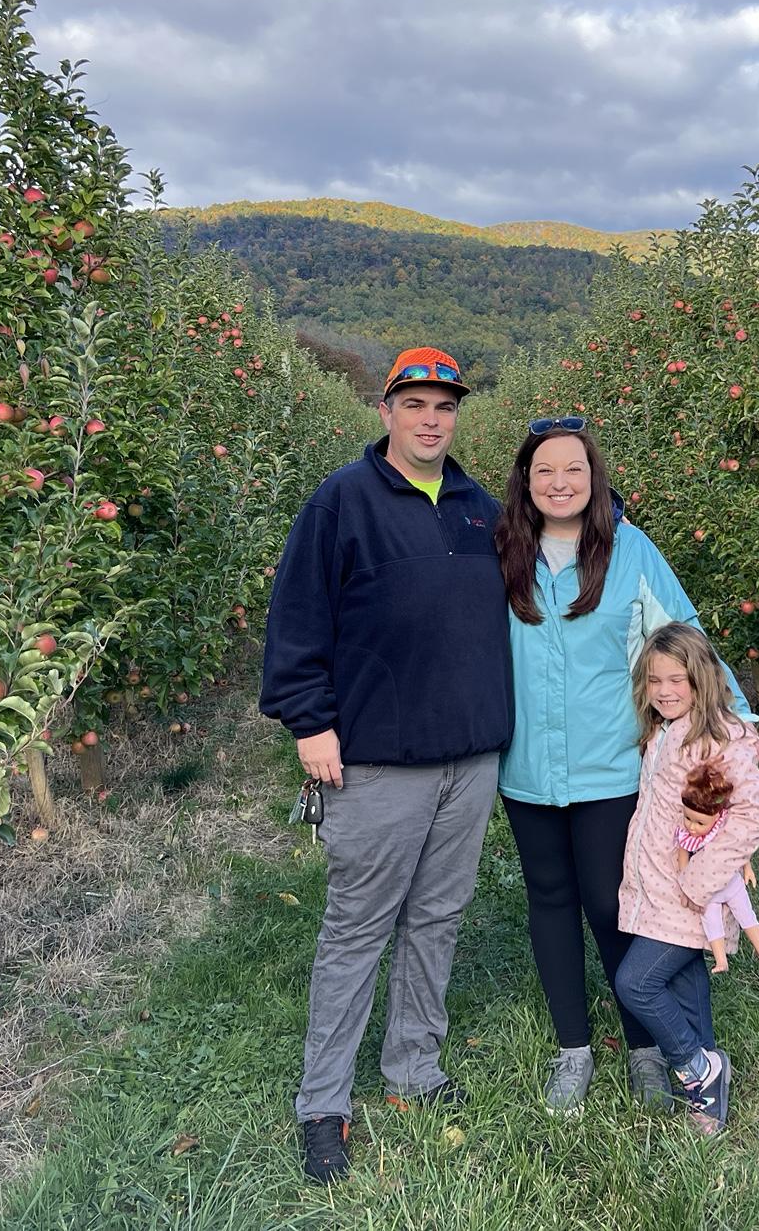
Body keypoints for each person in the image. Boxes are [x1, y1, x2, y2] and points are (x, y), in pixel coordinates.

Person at [259, 346, 512, 1186]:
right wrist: (310, 723)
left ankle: (413, 1070)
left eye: (445, 406)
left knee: (437, 918)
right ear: (387, 411)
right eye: (415, 404)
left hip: (469, 758)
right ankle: (322, 1104)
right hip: (377, 762)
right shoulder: (343, 500)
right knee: (357, 929)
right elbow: (298, 617)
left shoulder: (478, 508)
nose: (431, 419)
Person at [493, 417, 754, 1115]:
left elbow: (684, 637)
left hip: (610, 766)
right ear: (525, 481)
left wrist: (736, 729)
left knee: (618, 905)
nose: (560, 483)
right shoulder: (505, 550)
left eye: (573, 469)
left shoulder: (629, 549)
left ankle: (645, 1047)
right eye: (544, 470)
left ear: (594, 477)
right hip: (527, 766)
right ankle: (573, 1049)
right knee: (550, 901)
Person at [614, 622, 759, 1134]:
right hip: (658, 889)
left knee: (636, 983)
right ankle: (709, 1095)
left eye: (676, 680)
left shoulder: (716, 740)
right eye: (654, 680)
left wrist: (700, 880)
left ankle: (696, 1067)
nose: (664, 691)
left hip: (687, 893)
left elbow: (752, 814)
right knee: (683, 980)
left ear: (701, 679)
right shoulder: (663, 731)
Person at [675, 757, 759, 973]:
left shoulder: (721, 827)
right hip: (706, 889)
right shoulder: (686, 835)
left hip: (730, 881)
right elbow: (683, 860)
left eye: (700, 823)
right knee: (711, 923)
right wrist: (686, 881)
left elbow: (738, 849)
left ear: (717, 816)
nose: (692, 827)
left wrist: (747, 868)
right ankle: (721, 960)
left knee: (745, 911)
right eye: (688, 818)